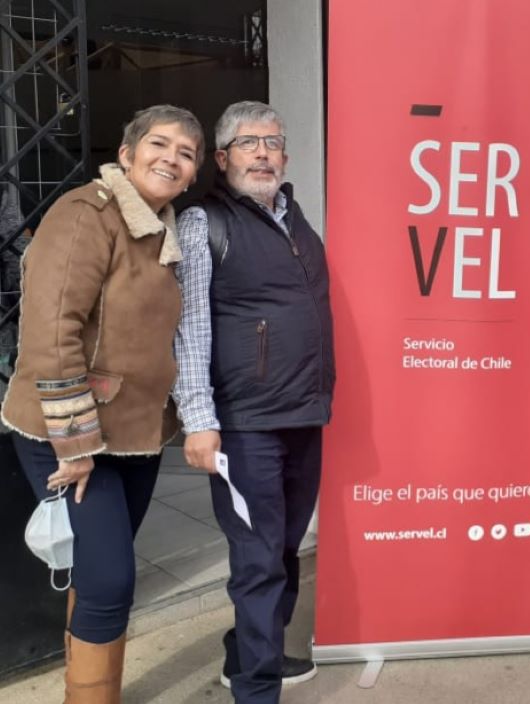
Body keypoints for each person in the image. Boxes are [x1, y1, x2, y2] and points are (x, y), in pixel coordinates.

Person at [2, 105, 203, 702]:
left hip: (135, 437)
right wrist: (78, 444)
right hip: (70, 438)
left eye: (186, 153)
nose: (171, 157)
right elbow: (51, 331)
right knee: (112, 580)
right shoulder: (86, 213)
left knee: (97, 577)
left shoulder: (162, 230)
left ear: (193, 175)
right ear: (126, 153)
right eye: (159, 144)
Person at [172, 101, 334, 704]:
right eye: (247, 143)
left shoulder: (296, 220)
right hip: (244, 426)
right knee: (259, 559)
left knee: (285, 547)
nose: (262, 152)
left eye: (272, 142)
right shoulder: (203, 223)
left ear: (285, 156)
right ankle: (256, 690)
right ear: (222, 158)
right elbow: (190, 328)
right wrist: (199, 420)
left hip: (303, 416)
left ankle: (245, 653)